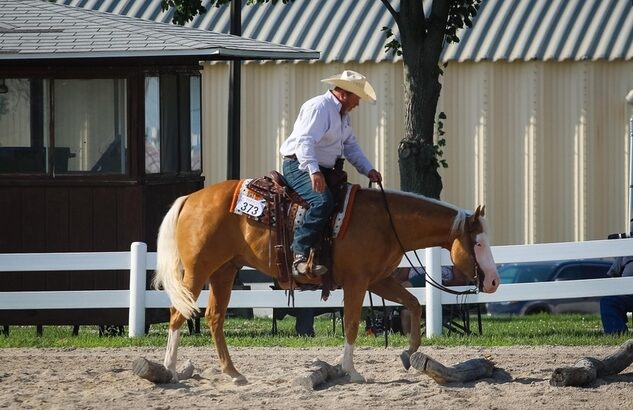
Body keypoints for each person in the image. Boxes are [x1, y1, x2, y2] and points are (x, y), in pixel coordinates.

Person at [279, 70, 382, 277]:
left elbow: (351, 146)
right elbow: (305, 140)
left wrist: (367, 169)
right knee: (322, 202)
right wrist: (314, 171)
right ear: (344, 94)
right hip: (299, 166)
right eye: (357, 98)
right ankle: (299, 254)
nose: (358, 103)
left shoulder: (342, 116)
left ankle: (326, 254)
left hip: (321, 168)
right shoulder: (319, 107)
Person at [600, 255, 633, 335]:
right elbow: (614, 277)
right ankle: (617, 334)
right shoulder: (626, 253)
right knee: (608, 301)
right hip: (628, 295)